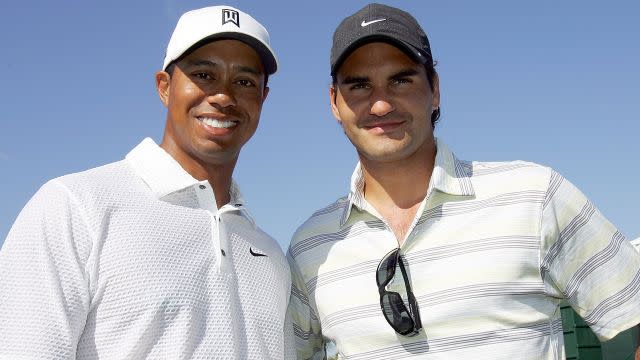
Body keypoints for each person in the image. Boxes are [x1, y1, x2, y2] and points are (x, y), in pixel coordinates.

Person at [287, 3, 640, 359]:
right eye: (359, 85)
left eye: (401, 80)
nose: (381, 105)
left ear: (435, 88)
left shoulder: (534, 197)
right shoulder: (310, 248)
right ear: (334, 102)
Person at [0, 5, 294, 359]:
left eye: (245, 81)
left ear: (262, 98)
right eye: (203, 74)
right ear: (164, 87)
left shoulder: (270, 254)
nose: (223, 96)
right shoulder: (75, 208)